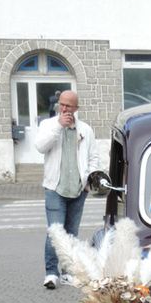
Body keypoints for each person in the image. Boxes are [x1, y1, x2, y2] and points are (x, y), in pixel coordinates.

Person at [35, 90, 99, 289]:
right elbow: (40, 146)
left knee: (71, 233)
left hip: (78, 190)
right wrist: (58, 127)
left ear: (76, 108)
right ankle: (51, 273)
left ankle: (67, 272)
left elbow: (93, 157)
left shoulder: (86, 130)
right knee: (56, 232)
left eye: (68, 106)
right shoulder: (48, 125)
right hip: (55, 188)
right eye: (61, 104)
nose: (64, 108)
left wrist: (89, 182)